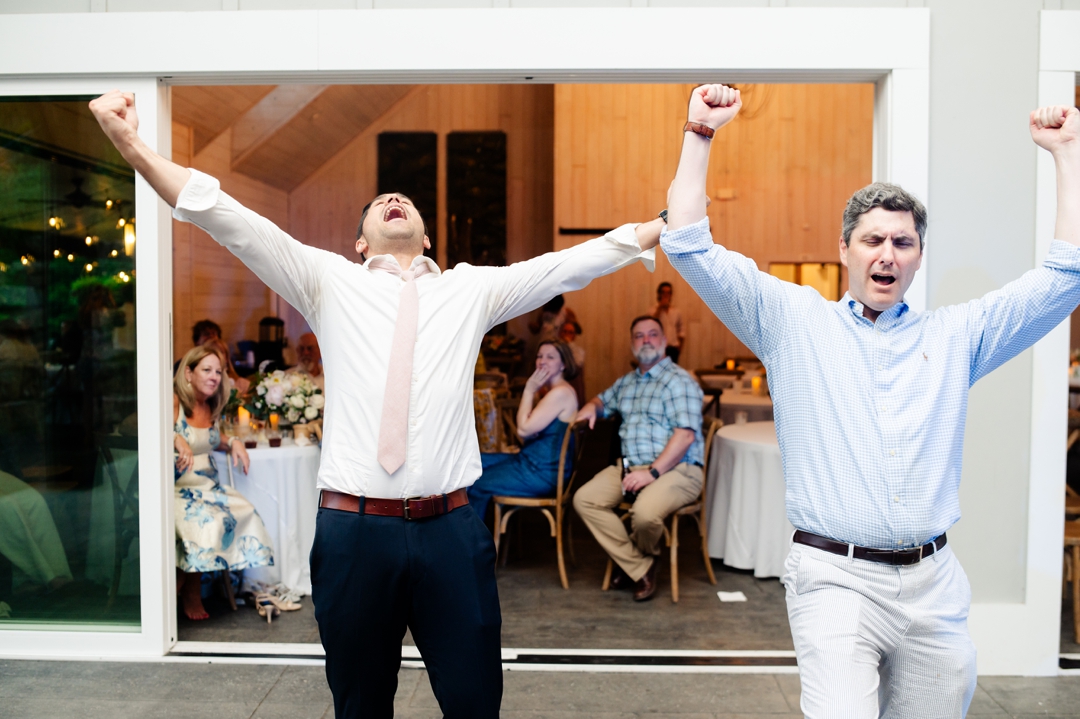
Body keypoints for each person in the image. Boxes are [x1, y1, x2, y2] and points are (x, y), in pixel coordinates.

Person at [89, 89, 661, 719]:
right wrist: (132, 144)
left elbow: (567, 265)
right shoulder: (326, 281)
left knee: (475, 703)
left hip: (451, 530)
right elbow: (227, 217)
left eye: (406, 200)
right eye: (380, 204)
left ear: (425, 232)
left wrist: (661, 225)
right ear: (359, 242)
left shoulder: (470, 289)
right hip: (355, 533)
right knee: (360, 707)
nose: (395, 200)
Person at [660, 83, 1080, 717]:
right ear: (845, 250)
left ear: (917, 258)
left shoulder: (958, 336)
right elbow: (688, 243)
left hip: (933, 584)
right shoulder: (792, 320)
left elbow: (1065, 278)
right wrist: (700, 133)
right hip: (835, 580)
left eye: (903, 243)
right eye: (873, 240)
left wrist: (1067, 151)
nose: (887, 255)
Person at [572, 315, 704, 602]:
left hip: (678, 469)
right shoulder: (627, 383)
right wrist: (591, 408)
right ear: (632, 344)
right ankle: (641, 565)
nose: (646, 340)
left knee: (644, 514)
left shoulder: (680, 381)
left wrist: (652, 474)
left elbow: (685, 437)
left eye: (652, 334)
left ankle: (632, 563)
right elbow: (602, 401)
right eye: (639, 336)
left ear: (664, 341)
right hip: (631, 466)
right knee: (584, 500)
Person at [172, 345, 271, 621]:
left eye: (218, 371)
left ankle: (181, 589)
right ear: (188, 373)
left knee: (245, 510)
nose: (214, 376)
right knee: (209, 520)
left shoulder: (210, 405)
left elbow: (212, 439)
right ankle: (183, 591)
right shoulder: (174, 402)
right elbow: (138, 424)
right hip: (177, 493)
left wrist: (234, 442)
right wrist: (173, 437)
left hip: (209, 490)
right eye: (207, 370)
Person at [468, 339, 579, 520]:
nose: (542, 361)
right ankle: (463, 529)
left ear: (563, 365)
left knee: (477, 482)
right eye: (539, 356)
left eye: (550, 357)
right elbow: (530, 430)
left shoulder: (560, 393)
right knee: (472, 463)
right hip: (531, 461)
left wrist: (528, 390)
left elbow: (523, 430)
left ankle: (472, 544)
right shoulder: (554, 391)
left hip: (541, 471)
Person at [650, 281, 685, 364]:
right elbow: (650, 325)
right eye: (663, 292)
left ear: (671, 295)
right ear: (659, 294)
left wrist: (679, 347)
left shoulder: (676, 311)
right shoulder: (652, 311)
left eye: (668, 293)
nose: (666, 295)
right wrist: (660, 308)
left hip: (673, 349)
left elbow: (681, 330)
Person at [558, 319, 586, 406]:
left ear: (574, 336)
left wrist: (569, 344)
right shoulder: (555, 349)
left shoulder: (579, 351)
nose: (567, 335)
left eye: (570, 332)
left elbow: (578, 363)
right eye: (565, 331)